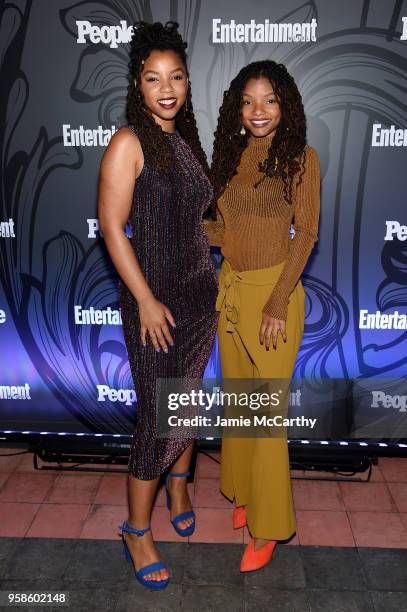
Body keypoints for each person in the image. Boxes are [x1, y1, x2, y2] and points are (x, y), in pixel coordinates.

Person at [98, 21, 218, 590]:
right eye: (153, 78)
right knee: (157, 417)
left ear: (187, 83)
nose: (166, 88)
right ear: (138, 86)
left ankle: (179, 484)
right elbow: (112, 227)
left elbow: (194, 222)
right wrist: (144, 298)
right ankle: (136, 530)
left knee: (186, 403)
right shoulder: (129, 142)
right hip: (155, 303)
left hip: (200, 294)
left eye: (175, 78)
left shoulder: (186, 141)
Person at [204, 60, 320, 572]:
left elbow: (308, 233)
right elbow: (220, 230)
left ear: (285, 105)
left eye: (269, 100)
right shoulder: (229, 157)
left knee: (266, 419)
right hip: (230, 290)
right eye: (249, 101)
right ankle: (245, 493)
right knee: (241, 404)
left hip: (274, 296)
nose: (258, 111)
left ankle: (271, 528)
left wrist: (275, 302)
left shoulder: (301, 158)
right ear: (237, 107)